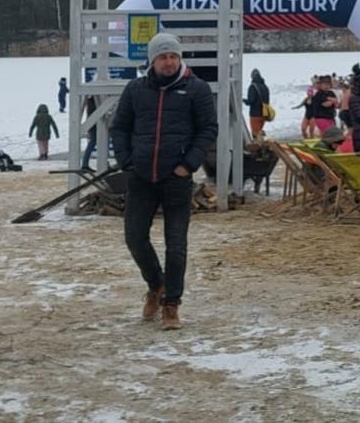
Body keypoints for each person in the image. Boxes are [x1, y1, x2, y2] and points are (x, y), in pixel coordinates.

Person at [109, 32, 218, 331]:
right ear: (152, 60)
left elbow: (208, 129)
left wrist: (188, 165)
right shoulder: (135, 89)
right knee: (134, 237)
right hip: (141, 177)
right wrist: (126, 161)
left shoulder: (196, 89)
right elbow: (119, 128)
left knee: (176, 245)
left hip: (177, 179)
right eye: (162, 57)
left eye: (173, 56)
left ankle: (172, 304)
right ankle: (155, 285)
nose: (169, 62)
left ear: (179, 59)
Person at [245, 69, 269, 139]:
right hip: (264, 114)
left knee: (256, 135)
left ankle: (262, 148)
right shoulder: (265, 87)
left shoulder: (252, 87)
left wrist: (244, 101)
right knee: (259, 133)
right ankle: (263, 146)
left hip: (255, 115)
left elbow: (251, 101)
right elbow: (267, 101)